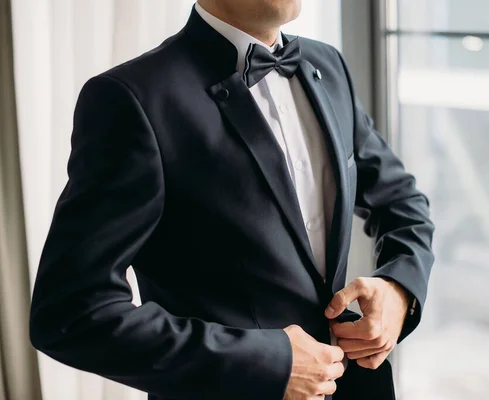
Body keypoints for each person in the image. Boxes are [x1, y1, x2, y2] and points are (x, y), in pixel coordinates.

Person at [29, 1, 434, 399]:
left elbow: (401, 201)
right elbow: (71, 313)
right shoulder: (131, 99)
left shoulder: (328, 65)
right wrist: (269, 362)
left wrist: (399, 289)